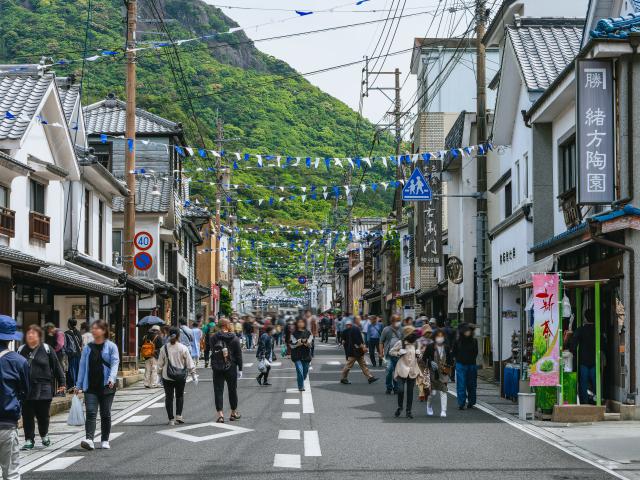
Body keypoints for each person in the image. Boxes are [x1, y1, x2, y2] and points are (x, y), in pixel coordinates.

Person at [18, 325, 65, 449]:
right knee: (27, 415)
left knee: (43, 415)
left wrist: (62, 383)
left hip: (44, 388)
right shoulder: (21, 350)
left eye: (33, 333)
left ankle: (44, 434)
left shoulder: (47, 349)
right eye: (28, 333)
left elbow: (57, 367)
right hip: (26, 388)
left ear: (39, 336)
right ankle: (29, 439)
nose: (30, 335)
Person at [76, 320, 119, 451]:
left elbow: (114, 363)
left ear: (104, 331)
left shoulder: (111, 346)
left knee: (105, 414)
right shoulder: (88, 348)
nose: (94, 331)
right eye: (93, 328)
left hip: (107, 386)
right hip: (90, 386)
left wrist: (112, 378)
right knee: (90, 413)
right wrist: (78, 385)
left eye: (97, 328)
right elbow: (82, 367)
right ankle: (89, 439)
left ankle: (105, 439)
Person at [0, 315, 30, 480]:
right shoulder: (19, 361)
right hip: (7, 423)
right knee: (11, 473)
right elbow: (25, 392)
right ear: (10, 339)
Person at [157, 327, 197, 425]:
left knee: (169, 397)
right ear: (179, 336)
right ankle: (179, 416)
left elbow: (159, 365)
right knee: (179, 396)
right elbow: (189, 363)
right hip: (180, 377)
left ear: (168, 335)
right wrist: (193, 375)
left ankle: (171, 419)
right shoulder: (183, 348)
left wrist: (159, 376)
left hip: (167, 376)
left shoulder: (164, 348)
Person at [210, 319, 243, 423]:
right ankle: (233, 413)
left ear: (219, 326)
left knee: (218, 390)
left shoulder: (213, 338)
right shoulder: (234, 338)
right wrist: (240, 368)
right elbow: (238, 355)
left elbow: (212, 350)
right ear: (228, 326)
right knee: (232, 390)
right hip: (231, 366)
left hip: (217, 366)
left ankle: (220, 415)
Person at [389, 326, 421, 419]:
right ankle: (400, 407)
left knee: (410, 392)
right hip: (401, 369)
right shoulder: (401, 343)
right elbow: (391, 352)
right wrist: (399, 353)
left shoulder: (416, 344)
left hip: (412, 370)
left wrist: (419, 354)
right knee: (400, 389)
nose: (413, 336)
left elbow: (419, 356)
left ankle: (408, 411)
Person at [571, 309, 601, 405]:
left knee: (583, 382)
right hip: (595, 360)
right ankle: (597, 400)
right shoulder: (597, 330)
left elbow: (574, 343)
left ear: (585, 318)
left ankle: (584, 401)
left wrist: (572, 351)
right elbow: (603, 344)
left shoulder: (581, 330)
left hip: (583, 360)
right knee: (596, 382)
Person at [423, 329, 453, 418]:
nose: (440, 338)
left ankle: (443, 410)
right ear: (435, 337)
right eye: (438, 336)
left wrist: (448, 367)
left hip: (444, 372)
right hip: (433, 373)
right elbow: (424, 358)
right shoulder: (430, 347)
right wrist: (430, 362)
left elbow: (450, 360)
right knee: (433, 393)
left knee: (444, 391)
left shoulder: (447, 347)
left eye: (441, 336)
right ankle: (429, 406)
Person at [340, 317, 378, 385]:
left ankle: (370, 377)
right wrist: (363, 347)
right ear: (356, 321)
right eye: (359, 319)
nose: (360, 321)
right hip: (354, 351)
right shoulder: (355, 328)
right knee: (348, 365)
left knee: (363, 364)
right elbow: (357, 340)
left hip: (356, 350)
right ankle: (343, 378)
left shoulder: (354, 328)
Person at [453, 323, 478, 410]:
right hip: (461, 365)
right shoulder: (457, 341)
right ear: (462, 332)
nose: (468, 333)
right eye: (466, 331)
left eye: (469, 331)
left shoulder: (474, 341)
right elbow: (454, 352)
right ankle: (461, 403)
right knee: (461, 384)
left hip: (471, 365)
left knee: (472, 384)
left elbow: (476, 353)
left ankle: (471, 402)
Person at [380, 315, 403, 394]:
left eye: (399, 320)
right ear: (392, 321)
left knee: (397, 372)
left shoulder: (401, 329)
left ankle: (396, 387)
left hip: (398, 354)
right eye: (397, 321)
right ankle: (389, 387)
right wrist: (381, 352)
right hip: (389, 354)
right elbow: (381, 341)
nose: (398, 322)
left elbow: (404, 340)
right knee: (389, 370)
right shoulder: (386, 329)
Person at [290, 318, 313, 391]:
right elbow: (291, 345)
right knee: (300, 371)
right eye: (299, 322)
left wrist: (307, 343)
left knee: (305, 373)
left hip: (306, 355)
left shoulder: (308, 333)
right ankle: (301, 387)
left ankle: (302, 379)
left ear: (304, 323)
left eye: (302, 322)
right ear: (297, 323)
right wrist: (297, 344)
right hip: (297, 355)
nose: (300, 323)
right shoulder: (294, 333)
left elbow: (311, 345)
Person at [44, 323, 66, 397]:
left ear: (51, 328)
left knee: (59, 371)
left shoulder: (59, 333)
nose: (48, 332)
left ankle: (62, 391)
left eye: (48, 330)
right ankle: (56, 391)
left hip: (59, 354)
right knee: (56, 371)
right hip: (57, 353)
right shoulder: (55, 334)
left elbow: (60, 344)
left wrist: (53, 352)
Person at [64, 319, 82, 390]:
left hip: (71, 354)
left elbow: (65, 345)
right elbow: (80, 343)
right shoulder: (78, 332)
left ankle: (71, 386)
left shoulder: (67, 333)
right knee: (77, 369)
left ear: (69, 324)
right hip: (78, 354)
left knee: (71, 370)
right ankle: (77, 386)